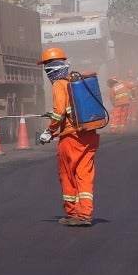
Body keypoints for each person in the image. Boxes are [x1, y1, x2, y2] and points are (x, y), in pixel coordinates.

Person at [37, 47, 99, 226]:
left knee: (68, 175)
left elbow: (59, 112)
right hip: (89, 135)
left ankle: (72, 213)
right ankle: (85, 214)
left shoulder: (59, 85)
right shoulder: (74, 82)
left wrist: (48, 131)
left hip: (71, 140)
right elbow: (69, 110)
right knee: (84, 175)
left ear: (50, 69)